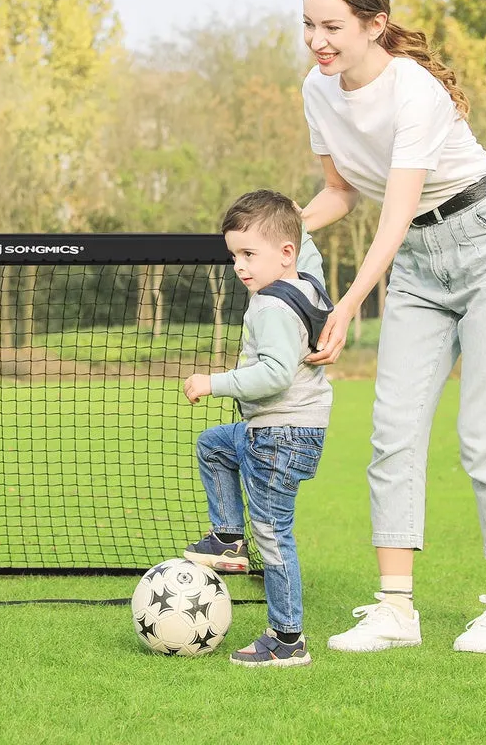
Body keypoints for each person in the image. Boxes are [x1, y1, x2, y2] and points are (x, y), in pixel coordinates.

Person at [299, 0, 486, 654]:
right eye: (308, 27)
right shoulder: (317, 93)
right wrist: (281, 224)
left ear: (375, 25)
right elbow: (342, 193)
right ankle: (395, 611)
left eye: (332, 27)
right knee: (393, 429)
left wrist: (348, 303)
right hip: (417, 260)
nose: (318, 42)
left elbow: (395, 210)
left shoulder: (415, 92)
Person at [183, 190, 333, 668]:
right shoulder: (308, 281)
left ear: (283, 254)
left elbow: (274, 374)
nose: (240, 267)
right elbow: (306, 244)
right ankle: (228, 537)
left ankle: (287, 638)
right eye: (234, 256)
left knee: (272, 534)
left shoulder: (269, 305)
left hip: (278, 436)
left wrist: (213, 383)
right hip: (286, 432)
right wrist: (289, 215)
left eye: (250, 254)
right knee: (214, 445)